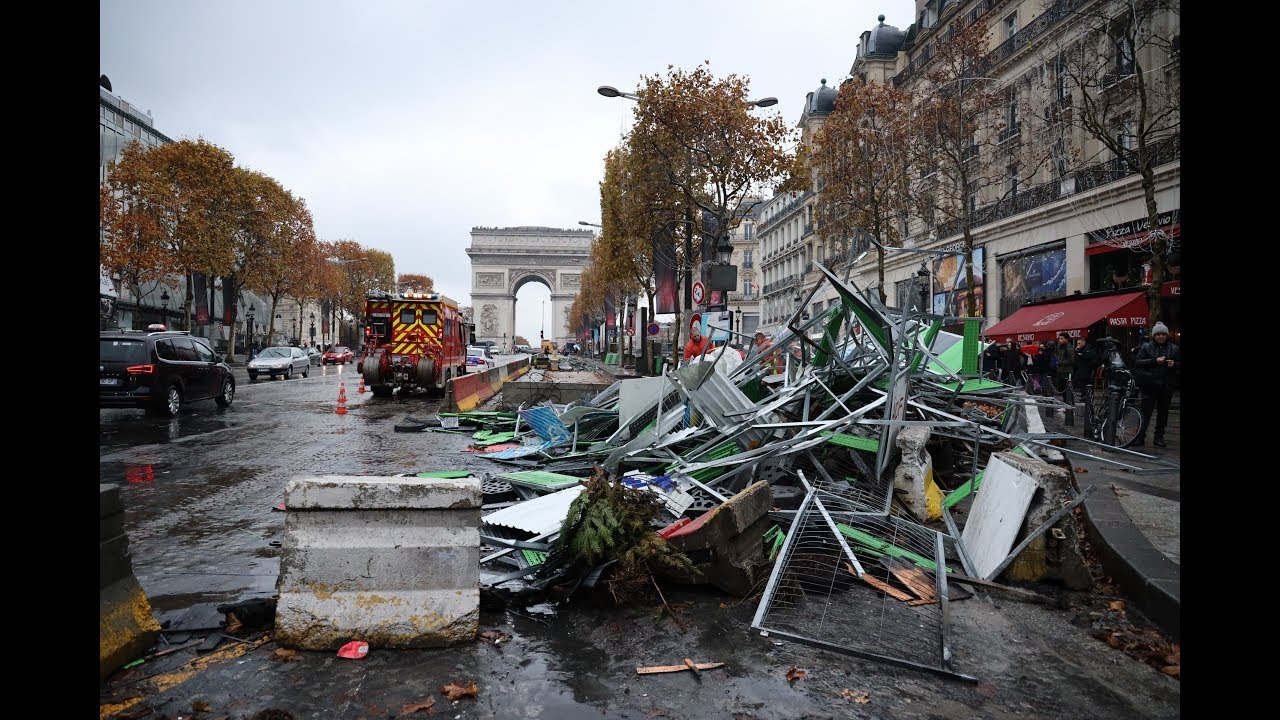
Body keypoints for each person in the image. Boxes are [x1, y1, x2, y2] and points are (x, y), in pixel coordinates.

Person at [1133, 322, 1179, 447]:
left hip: (1166, 386)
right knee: (1145, 413)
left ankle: (1159, 437)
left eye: (1163, 334)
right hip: (1150, 385)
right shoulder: (1146, 347)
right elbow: (1138, 362)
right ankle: (1139, 436)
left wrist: (1174, 364)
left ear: (1166, 335)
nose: (1160, 336)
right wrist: (1154, 361)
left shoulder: (1174, 348)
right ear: (1153, 336)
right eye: (1158, 334)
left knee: (1163, 413)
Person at [1073, 336, 1103, 434]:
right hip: (1081, 373)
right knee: (1082, 391)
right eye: (1077, 343)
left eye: (1079, 343)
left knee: (1088, 392)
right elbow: (1076, 361)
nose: (1078, 345)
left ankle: (1089, 409)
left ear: (1084, 342)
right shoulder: (1079, 351)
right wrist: (1077, 352)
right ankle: (1085, 408)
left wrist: (1082, 354)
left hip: (1088, 373)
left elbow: (1092, 359)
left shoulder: (1090, 349)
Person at [1053, 332, 1076, 426]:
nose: (1060, 340)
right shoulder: (1059, 347)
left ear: (1067, 339)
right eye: (1059, 338)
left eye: (1062, 339)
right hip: (1060, 371)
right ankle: (1065, 405)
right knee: (1062, 389)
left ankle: (1071, 407)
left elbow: (1071, 360)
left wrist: (1060, 362)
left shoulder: (1069, 348)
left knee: (1068, 390)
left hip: (1067, 371)